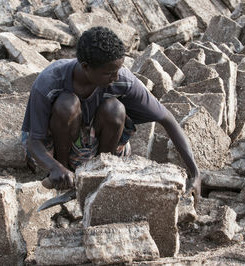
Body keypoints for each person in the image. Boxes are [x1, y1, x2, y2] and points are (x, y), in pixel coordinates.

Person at [21, 26, 201, 204]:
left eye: (118, 70)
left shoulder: (122, 80)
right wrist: (55, 167)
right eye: (109, 73)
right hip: (53, 152)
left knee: (115, 109)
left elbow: (167, 119)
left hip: (94, 149)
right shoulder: (50, 82)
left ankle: (99, 173)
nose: (115, 77)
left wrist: (195, 173)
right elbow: (33, 141)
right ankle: (64, 177)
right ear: (86, 67)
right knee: (66, 104)